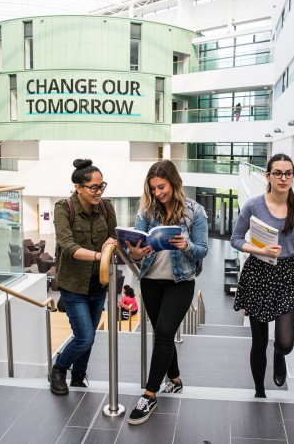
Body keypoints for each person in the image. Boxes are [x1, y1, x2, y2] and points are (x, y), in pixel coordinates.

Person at [125, 159, 208, 425]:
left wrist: (185, 246)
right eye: (153, 189)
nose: (158, 193)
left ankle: (149, 395)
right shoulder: (146, 212)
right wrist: (135, 253)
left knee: (162, 333)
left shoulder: (196, 212)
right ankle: (175, 380)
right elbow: (135, 249)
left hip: (181, 282)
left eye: (162, 187)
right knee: (163, 333)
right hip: (150, 281)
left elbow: (202, 250)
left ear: (174, 182)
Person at [230, 153, 294, 398]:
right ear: (268, 176)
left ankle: (279, 353)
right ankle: (259, 391)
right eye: (277, 173)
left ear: (292, 176)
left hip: (287, 275)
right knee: (258, 342)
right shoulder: (254, 205)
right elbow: (236, 239)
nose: (283, 178)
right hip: (258, 273)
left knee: (286, 343)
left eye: (288, 173)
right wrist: (260, 250)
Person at [50, 158, 117, 396]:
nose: (99, 192)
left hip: (98, 285)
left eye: (102, 186)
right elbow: (67, 245)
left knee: (88, 336)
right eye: (94, 187)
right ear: (78, 187)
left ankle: (78, 376)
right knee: (85, 337)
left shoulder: (107, 208)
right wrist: (100, 255)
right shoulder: (64, 208)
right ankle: (58, 369)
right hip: (73, 286)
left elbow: (113, 239)